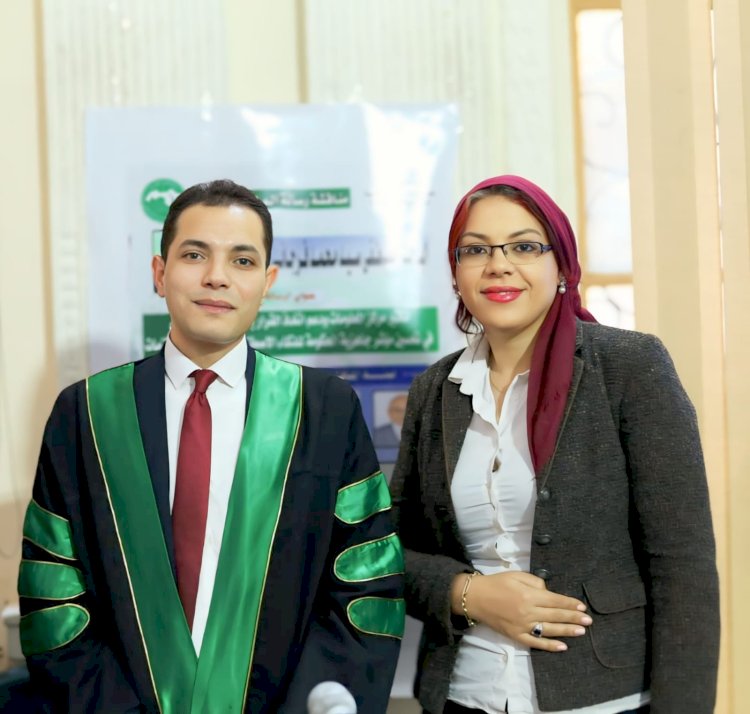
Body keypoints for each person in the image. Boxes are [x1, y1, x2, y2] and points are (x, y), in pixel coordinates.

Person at [18, 179, 405, 713]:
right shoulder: (86, 415)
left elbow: (365, 586)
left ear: (267, 282)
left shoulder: (324, 412)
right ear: (160, 273)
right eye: (194, 254)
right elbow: (55, 596)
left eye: (242, 261)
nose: (217, 277)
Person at [389, 175, 719, 714]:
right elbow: (389, 552)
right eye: (476, 250)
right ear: (456, 273)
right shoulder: (434, 390)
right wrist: (466, 592)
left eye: (523, 247)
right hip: (462, 695)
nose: (498, 265)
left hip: (605, 698)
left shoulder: (629, 368)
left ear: (562, 266)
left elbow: (682, 566)